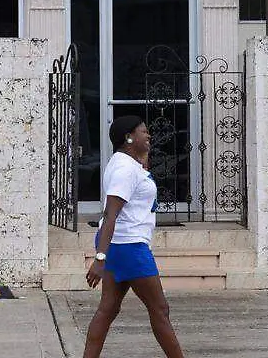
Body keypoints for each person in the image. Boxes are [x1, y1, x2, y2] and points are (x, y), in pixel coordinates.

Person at [83, 115, 184, 358]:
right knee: (159, 309)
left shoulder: (127, 164)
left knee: (108, 309)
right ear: (128, 137)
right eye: (143, 132)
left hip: (121, 244)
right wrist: (99, 258)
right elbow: (110, 214)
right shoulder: (125, 169)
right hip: (128, 246)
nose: (148, 135)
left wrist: (143, 156)